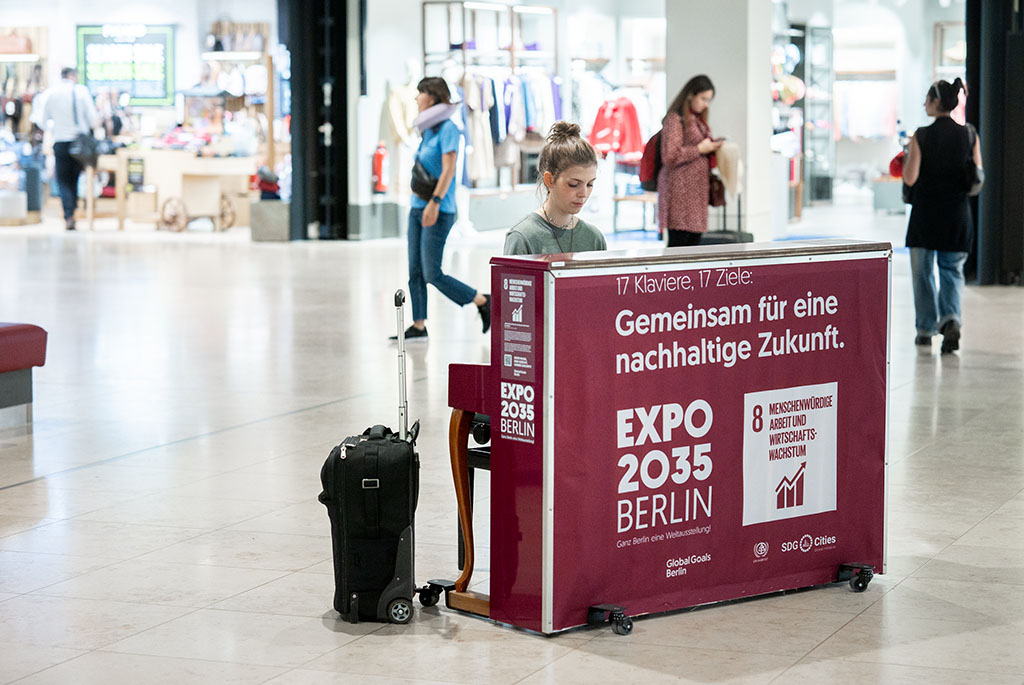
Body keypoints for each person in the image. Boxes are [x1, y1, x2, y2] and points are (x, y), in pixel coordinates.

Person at [395, 76, 489, 341]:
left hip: (439, 209)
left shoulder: (449, 129)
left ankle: (482, 300)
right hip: (417, 207)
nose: (416, 98)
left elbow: (449, 171)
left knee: (432, 273)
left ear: (433, 97)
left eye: (420, 93)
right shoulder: (428, 130)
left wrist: (434, 203)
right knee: (415, 271)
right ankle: (419, 326)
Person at [903, 78, 981, 354]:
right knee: (952, 271)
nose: (924, 103)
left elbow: (910, 178)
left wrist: (907, 156)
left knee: (923, 274)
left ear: (936, 102)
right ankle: (950, 321)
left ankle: (925, 329)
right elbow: (977, 180)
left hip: (925, 216)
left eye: (927, 99)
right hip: (957, 216)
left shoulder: (921, 136)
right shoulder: (970, 134)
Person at [505, 121, 606, 256]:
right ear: (549, 180)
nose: (583, 193)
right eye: (573, 184)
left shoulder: (595, 239)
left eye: (590, 184)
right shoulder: (523, 237)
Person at [658, 75, 723, 247]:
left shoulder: (697, 120)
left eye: (708, 100)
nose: (706, 104)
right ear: (690, 95)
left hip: (696, 194)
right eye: (703, 98)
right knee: (679, 245)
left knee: (693, 243)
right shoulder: (675, 119)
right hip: (679, 194)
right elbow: (670, 156)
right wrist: (700, 149)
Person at [33, 67, 99, 231]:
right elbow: (93, 118)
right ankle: (72, 211)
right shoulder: (81, 91)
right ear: (73, 76)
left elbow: (42, 121)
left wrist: (56, 127)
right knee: (74, 179)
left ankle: (68, 214)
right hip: (79, 143)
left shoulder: (51, 93)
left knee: (62, 180)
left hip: (60, 141)